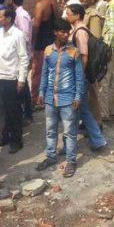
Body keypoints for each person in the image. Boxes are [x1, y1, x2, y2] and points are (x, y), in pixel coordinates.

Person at [37, 19, 86, 178]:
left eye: (68, 32)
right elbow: (44, 73)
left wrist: (78, 95)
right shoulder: (48, 51)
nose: (66, 35)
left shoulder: (74, 52)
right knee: (50, 130)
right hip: (51, 98)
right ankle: (51, 156)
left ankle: (71, 161)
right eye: (63, 32)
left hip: (68, 98)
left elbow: (79, 76)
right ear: (55, 32)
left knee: (69, 132)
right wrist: (41, 92)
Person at [66, 4, 109, 152]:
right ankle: (97, 140)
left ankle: (95, 140)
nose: (67, 16)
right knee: (83, 110)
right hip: (79, 76)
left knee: (77, 110)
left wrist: (79, 76)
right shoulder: (76, 30)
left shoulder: (80, 32)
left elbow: (84, 56)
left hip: (80, 77)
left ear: (77, 15)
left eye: (69, 14)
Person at [0, 7, 29, 154]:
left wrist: (21, 79)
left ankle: (16, 140)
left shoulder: (18, 35)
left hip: (11, 78)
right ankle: (3, 137)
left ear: (8, 19)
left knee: (13, 111)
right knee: (0, 110)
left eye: (0, 17)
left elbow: (23, 58)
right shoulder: (1, 32)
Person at [8, 0, 35, 120]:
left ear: (11, 0)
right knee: (22, 83)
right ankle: (27, 111)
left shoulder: (21, 15)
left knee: (22, 82)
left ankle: (27, 112)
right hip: (18, 54)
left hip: (22, 54)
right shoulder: (17, 14)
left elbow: (25, 36)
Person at [31, 0, 57, 107]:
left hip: (41, 44)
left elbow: (36, 25)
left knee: (36, 73)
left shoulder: (40, 4)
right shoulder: (53, 3)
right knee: (49, 72)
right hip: (51, 42)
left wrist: (32, 42)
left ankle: (35, 100)